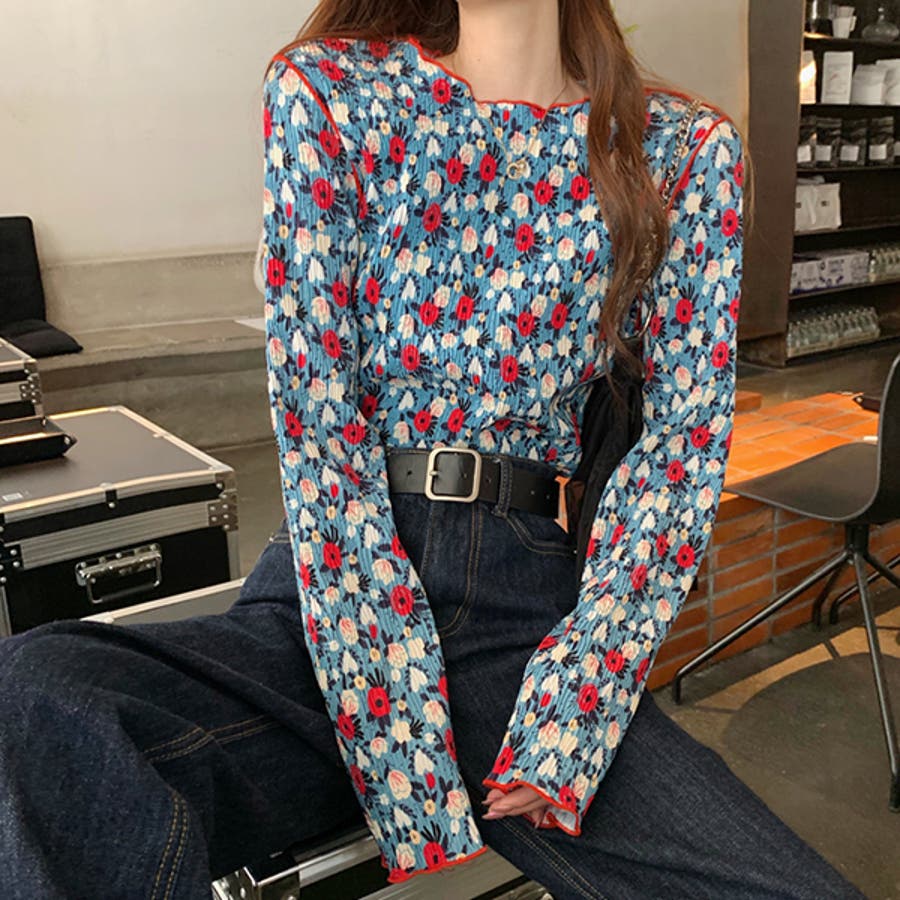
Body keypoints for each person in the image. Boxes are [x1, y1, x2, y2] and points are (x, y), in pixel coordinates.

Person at [0, 2, 868, 898]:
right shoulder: (330, 94)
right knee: (38, 697)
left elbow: (678, 453)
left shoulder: (680, 151)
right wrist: (391, 713)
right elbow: (316, 421)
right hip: (333, 597)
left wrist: (579, 703)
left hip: (521, 619)